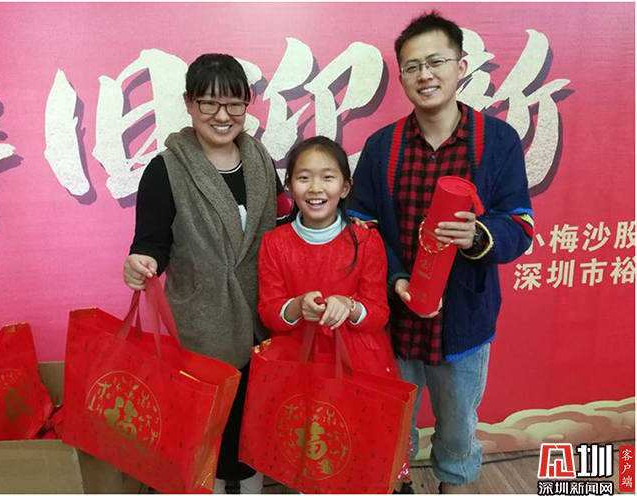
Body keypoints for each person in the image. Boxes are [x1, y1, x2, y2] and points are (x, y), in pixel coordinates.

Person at [347, 12, 534, 494]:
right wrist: (395, 278)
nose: (424, 75)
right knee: (390, 424)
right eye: (412, 67)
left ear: (461, 66)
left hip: (464, 319)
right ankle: (396, 484)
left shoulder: (497, 141)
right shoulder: (382, 147)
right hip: (394, 320)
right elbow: (361, 224)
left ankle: (453, 486)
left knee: (457, 429)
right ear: (402, 77)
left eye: (436, 62)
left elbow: (520, 226)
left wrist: (477, 235)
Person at [123, 53, 290, 494]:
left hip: (262, 317)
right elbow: (151, 242)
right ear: (188, 103)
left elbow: (281, 226)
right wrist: (141, 262)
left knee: (254, 430)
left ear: (247, 105)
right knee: (209, 434)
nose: (222, 115)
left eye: (234, 104)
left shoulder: (259, 159)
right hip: (203, 322)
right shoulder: (167, 169)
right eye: (209, 103)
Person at [257, 136, 413, 491]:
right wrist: (297, 306)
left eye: (327, 177)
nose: (315, 188)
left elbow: (379, 312)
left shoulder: (366, 241)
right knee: (312, 451)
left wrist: (351, 306)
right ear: (289, 186)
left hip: (361, 364)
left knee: (361, 450)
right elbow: (268, 311)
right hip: (301, 364)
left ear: (345, 187)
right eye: (304, 177)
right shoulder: (275, 243)